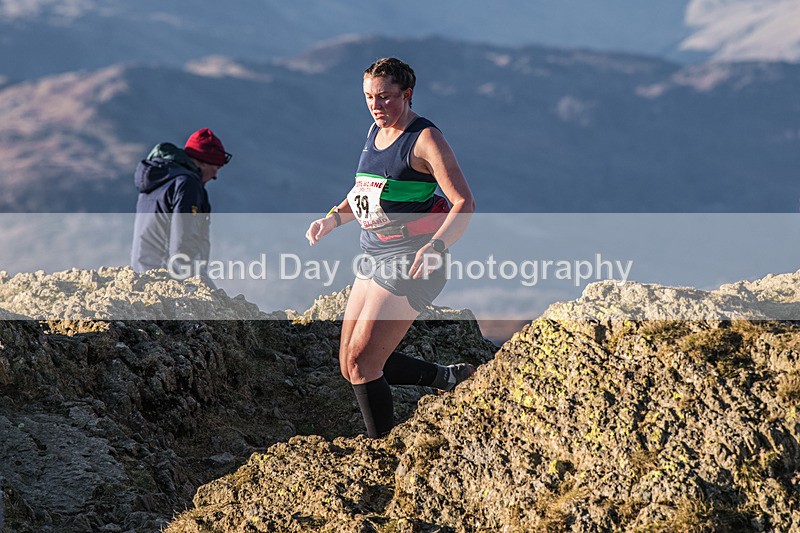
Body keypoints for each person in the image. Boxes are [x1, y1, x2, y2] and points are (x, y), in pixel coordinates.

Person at [305, 57, 476, 438]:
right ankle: (445, 377)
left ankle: (380, 447)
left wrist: (436, 245)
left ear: (408, 94)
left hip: (412, 259)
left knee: (364, 364)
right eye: (368, 97)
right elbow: (366, 191)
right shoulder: (374, 132)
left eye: (385, 97)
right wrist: (333, 218)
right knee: (349, 365)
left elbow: (464, 202)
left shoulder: (425, 139)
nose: (376, 106)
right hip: (373, 255)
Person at [131, 128, 231, 286]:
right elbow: (182, 244)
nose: (215, 176)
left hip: (143, 276)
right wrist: (203, 287)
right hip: (167, 282)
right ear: (203, 162)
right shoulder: (187, 185)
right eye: (216, 168)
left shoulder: (158, 182)